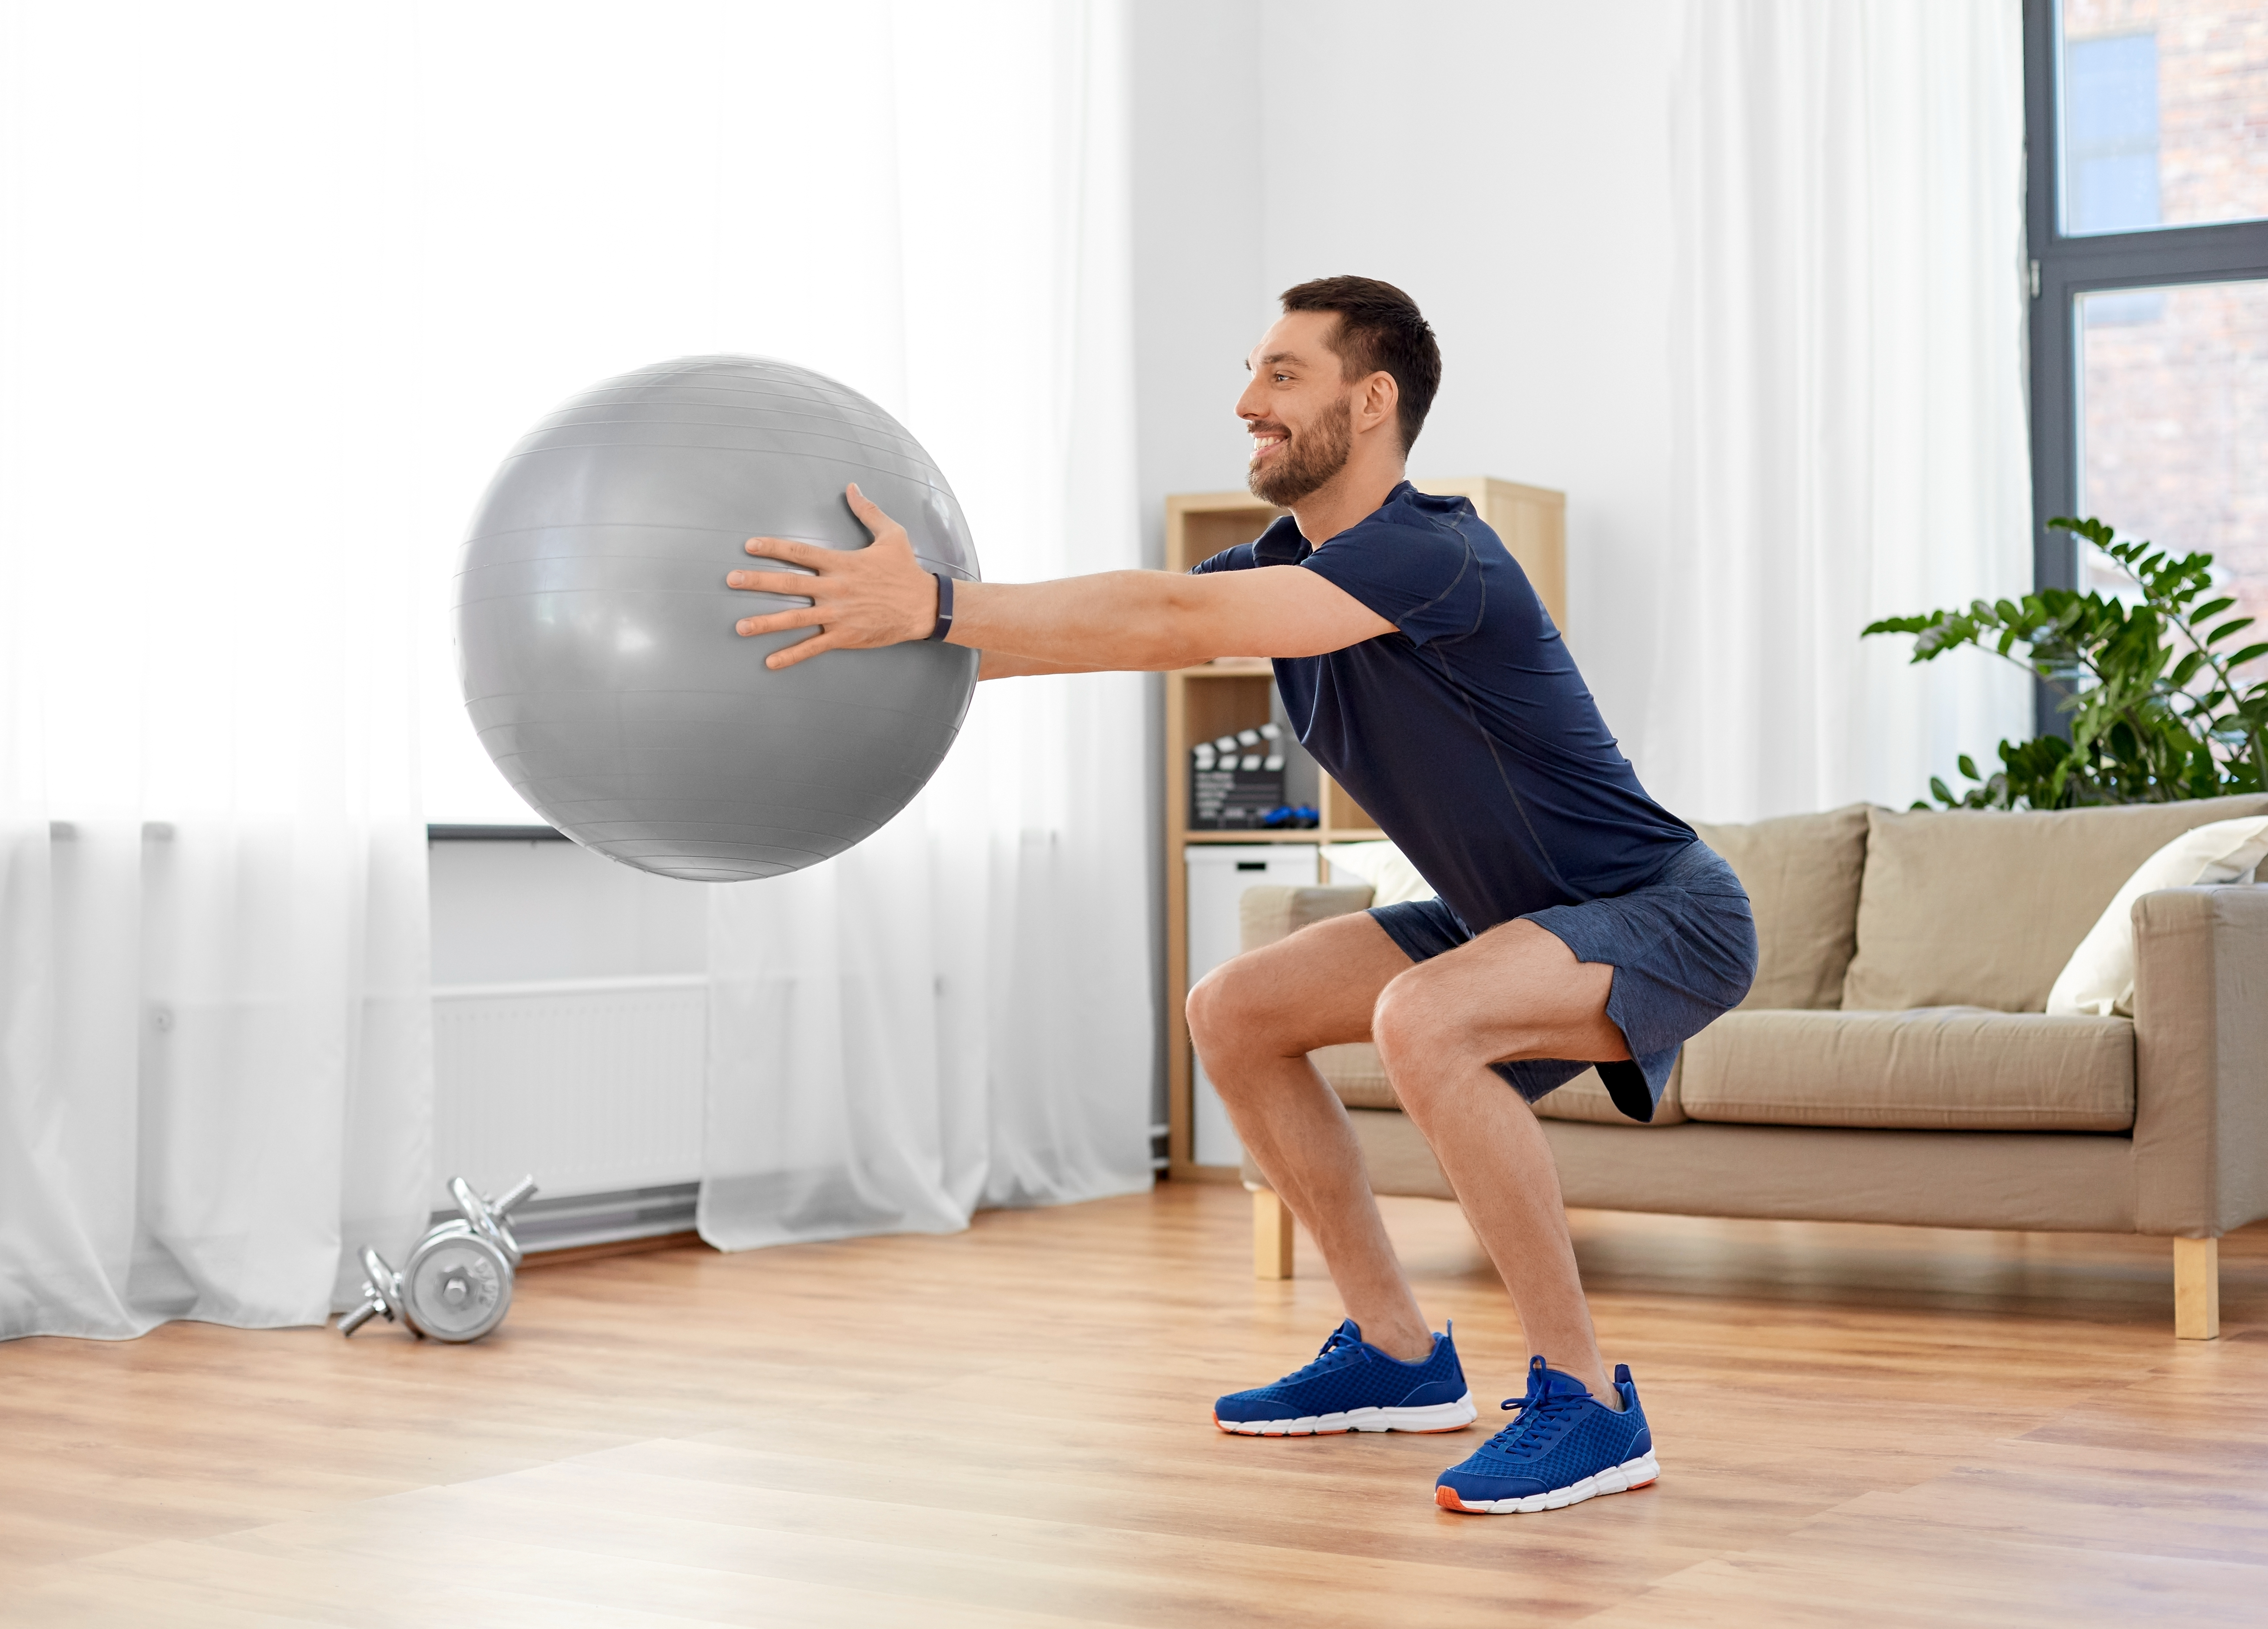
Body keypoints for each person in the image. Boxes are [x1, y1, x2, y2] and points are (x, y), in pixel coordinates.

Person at [724, 275, 1758, 1516]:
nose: (1245, 403)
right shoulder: (1285, 568)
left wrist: (935, 604)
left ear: (1371, 403)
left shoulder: (1437, 551)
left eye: (1282, 376)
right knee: (1236, 1012)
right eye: (1252, 374)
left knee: (1424, 1018)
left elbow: (1166, 614)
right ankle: (1393, 1353)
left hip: (1663, 906)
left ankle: (1588, 1404)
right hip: (1512, 915)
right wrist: (869, 643)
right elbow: (1091, 634)